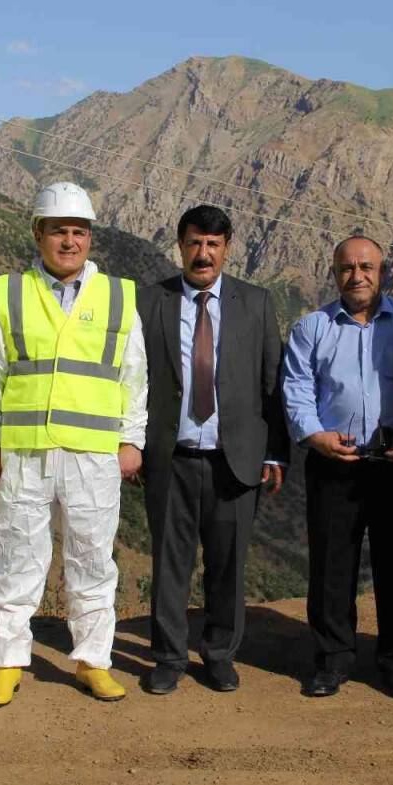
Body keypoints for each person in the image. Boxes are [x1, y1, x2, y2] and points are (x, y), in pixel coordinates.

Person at [0, 181, 147, 706]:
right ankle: (6, 663)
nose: (69, 241)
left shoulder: (119, 297)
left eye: (78, 231)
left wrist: (132, 438)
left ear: (90, 237)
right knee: (15, 559)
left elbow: (133, 376)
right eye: (58, 231)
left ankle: (93, 660)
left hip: (93, 453)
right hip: (24, 451)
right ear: (38, 233)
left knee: (93, 560)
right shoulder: (7, 294)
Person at [138, 205, 290, 695]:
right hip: (171, 457)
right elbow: (134, 381)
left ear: (226, 248)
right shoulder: (151, 301)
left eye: (213, 244)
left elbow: (273, 383)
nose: (203, 254)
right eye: (194, 243)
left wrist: (275, 453)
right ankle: (167, 657)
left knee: (227, 565)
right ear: (180, 245)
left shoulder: (255, 303)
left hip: (234, 459)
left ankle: (220, 654)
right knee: (170, 563)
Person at [281, 236, 393, 698]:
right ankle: (333, 660)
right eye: (347, 268)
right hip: (334, 460)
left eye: (367, 267)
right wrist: (314, 434)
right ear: (334, 272)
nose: (357, 275)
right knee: (331, 565)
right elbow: (297, 387)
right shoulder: (312, 327)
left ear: (383, 271)